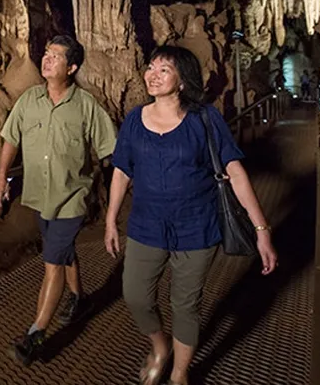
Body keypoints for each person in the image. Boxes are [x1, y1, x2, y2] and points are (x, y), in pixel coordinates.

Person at [103, 45, 278, 385]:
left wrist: (262, 229)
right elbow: (121, 171)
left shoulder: (204, 119)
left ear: (183, 80)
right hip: (146, 226)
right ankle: (159, 346)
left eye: (164, 69)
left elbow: (235, 171)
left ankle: (180, 374)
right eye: (151, 67)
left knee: (186, 305)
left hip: (197, 226)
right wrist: (111, 220)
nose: (153, 74)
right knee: (136, 295)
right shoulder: (134, 121)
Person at [0, 34, 117, 366]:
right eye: (46, 54)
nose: (46, 60)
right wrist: (1, 176)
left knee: (52, 263)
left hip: (71, 198)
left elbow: (112, 148)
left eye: (56, 56)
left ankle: (35, 334)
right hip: (39, 195)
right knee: (62, 253)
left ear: (72, 67)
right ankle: (79, 299)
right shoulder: (29, 100)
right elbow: (10, 137)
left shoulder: (86, 106)